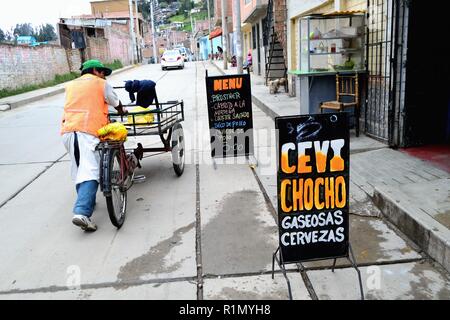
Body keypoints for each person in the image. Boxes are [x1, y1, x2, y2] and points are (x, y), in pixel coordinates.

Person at [61, 59, 126, 232]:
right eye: (102, 71)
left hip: (68, 131)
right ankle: (82, 212)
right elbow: (115, 101)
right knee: (91, 171)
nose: (104, 75)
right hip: (87, 131)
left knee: (78, 167)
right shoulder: (100, 83)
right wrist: (122, 110)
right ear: (95, 71)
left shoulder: (71, 85)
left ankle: (86, 199)